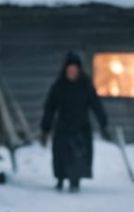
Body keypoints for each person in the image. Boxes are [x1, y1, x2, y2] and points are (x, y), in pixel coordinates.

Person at [39, 52, 109, 192]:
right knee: (60, 155)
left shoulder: (85, 85)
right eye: (69, 69)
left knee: (78, 157)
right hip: (63, 128)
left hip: (81, 127)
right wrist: (45, 129)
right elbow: (50, 107)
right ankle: (60, 179)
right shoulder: (59, 86)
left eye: (74, 69)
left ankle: (75, 182)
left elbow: (96, 104)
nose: (72, 71)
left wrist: (103, 123)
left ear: (79, 70)